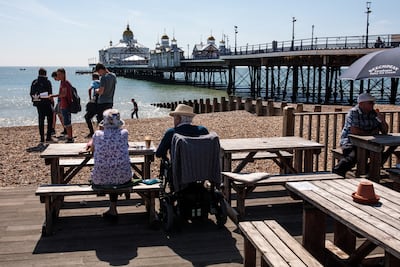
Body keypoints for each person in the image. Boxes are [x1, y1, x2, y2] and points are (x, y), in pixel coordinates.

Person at [86, 109, 132, 220]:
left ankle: (112, 209)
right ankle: (113, 209)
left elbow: (92, 149)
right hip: (123, 178)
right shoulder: (124, 133)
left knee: (109, 169)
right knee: (116, 168)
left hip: (100, 179)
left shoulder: (97, 135)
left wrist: (97, 134)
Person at [333, 93, 389, 177]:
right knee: (353, 157)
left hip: (369, 143)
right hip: (350, 142)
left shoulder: (373, 113)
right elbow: (354, 131)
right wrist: (371, 132)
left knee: (380, 155)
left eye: (373, 103)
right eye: (370, 103)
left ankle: (367, 172)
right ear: (361, 104)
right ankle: (337, 172)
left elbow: (384, 131)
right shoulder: (354, 112)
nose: (373, 105)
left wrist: (382, 120)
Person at [30, 68, 54, 143]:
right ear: (45, 74)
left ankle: (42, 137)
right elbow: (50, 93)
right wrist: (52, 102)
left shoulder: (34, 82)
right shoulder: (47, 82)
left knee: (41, 119)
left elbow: (31, 93)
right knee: (50, 119)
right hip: (46, 102)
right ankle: (48, 137)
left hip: (38, 103)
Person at [49, 68, 74, 143]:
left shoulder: (65, 83)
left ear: (63, 74)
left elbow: (64, 94)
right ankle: (69, 137)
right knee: (66, 121)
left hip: (66, 105)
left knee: (67, 122)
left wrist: (53, 96)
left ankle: (70, 138)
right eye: (57, 74)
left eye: (59, 74)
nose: (58, 76)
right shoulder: (62, 82)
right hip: (63, 104)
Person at [84, 73, 100, 138]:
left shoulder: (94, 82)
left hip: (95, 102)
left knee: (87, 117)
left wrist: (90, 98)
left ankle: (91, 132)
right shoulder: (102, 82)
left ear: (93, 77)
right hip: (101, 102)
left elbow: (89, 89)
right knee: (100, 118)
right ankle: (101, 132)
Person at [51, 71, 66, 137]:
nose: (55, 79)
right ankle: (64, 128)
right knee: (58, 115)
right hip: (60, 100)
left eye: (55, 78)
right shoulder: (62, 82)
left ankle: (53, 129)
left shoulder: (63, 82)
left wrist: (53, 96)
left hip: (61, 101)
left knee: (56, 114)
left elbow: (62, 94)